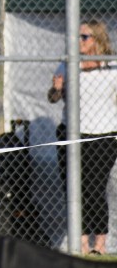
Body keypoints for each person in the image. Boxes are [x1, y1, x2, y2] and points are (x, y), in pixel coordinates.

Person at [48, 19, 117, 255]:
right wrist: (57, 88)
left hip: (103, 135)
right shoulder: (68, 64)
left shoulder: (111, 65)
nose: (79, 41)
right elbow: (53, 98)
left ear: (97, 40)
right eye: (77, 37)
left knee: (94, 187)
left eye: (84, 37)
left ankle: (99, 244)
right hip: (71, 132)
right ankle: (80, 243)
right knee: (73, 188)